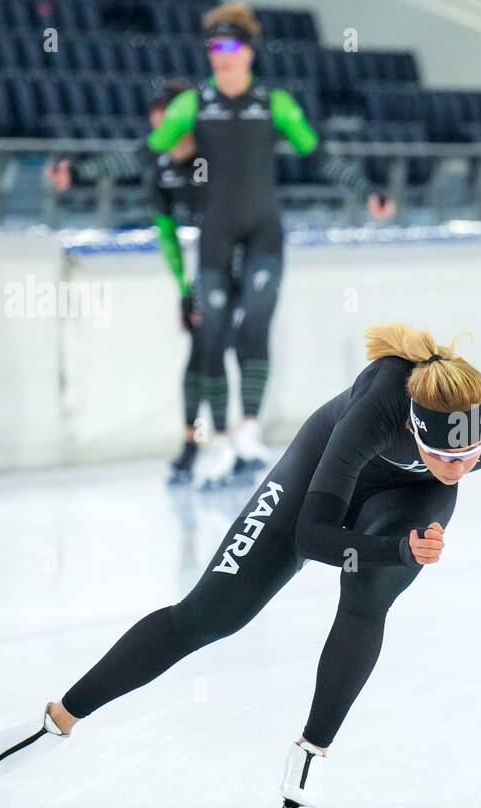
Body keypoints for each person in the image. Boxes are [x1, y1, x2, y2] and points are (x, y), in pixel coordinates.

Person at [0, 324, 481, 808]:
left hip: (406, 501)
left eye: (473, 455)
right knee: (208, 616)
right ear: (415, 429)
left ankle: (311, 749)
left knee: (367, 597)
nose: (461, 468)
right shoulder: (373, 414)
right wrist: (399, 550)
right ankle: (57, 717)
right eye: (447, 456)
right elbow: (312, 538)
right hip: (321, 472)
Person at [149, 3, 396, 489]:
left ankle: (247, 430)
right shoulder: (194, 104)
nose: (220, 55)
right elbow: (142, 151)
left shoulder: (274, 102)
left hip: (264, 233)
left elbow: (318, 153)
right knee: (212, 334)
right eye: (212, 47)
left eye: (229, 46)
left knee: (256, 320)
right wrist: (80, 172)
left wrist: (367, 190)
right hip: (216, 238)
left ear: (248, 52)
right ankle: (216, 440)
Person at [46, 82, 214, 485]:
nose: (162, 141)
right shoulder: (160, 169)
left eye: (168, 128)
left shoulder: (218, 156)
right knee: (201, 354)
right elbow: (167, 233)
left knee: (229, 350)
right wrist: (184, 288)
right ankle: (193, 441)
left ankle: (234, 439)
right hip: (207, 269)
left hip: (236, 256)